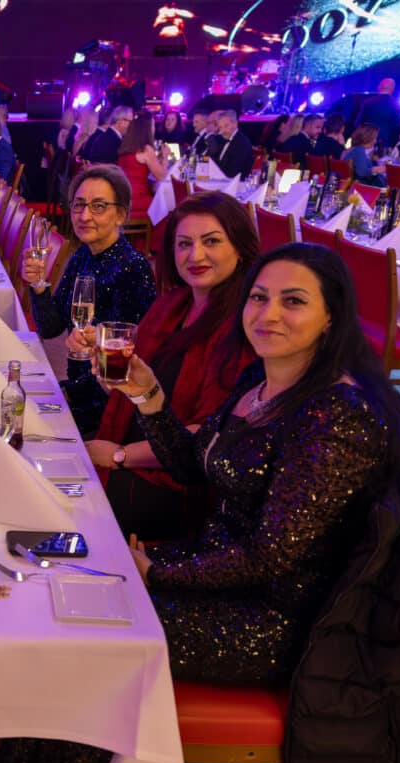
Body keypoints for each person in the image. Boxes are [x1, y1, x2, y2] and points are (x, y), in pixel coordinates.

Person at [0, 242, 400, 763]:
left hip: (269, 618)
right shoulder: (260, 382)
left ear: (332, 317)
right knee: (59, 584)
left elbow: (270, 557)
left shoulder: (337, 416)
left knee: (86, 643)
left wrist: (157, 573)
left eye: (293, 301)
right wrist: (149, 397)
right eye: (258, 297)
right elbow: (192, 467)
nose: (269, 314)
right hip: (208, 570)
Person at [80, 192, 258, 539]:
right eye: (184, 244)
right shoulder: (173, 305)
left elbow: (208, 435)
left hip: (179, 484)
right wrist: (113, 382)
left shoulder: (243, 327)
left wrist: (121, 455)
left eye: (211, 242)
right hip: (129, 445)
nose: (196, 255)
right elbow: (145, 392)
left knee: (69, 500)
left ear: (240, 248)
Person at [22, 164, 156, 435]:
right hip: (77, 389)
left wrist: (63, 396)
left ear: (121, 214)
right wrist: (38, 284)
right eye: (79, 205)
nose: (84, 216)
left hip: (105, 408)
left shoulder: (133, 269)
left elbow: (123, 366)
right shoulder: (83, 255)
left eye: (98, 207)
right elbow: (51, 327)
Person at [116, 110, 168, 220]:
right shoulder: (146, 149)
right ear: (147, 129)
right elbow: (162, 176)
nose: (154, 129)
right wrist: (165, 157)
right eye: (153, 125)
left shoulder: (126, 146)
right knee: (165, 207)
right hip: (137, 200)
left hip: (122, 197)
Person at [357, 77, 400, 149]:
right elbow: (397, 125)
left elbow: (358, 122)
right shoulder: (395, 105)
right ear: (392, 89)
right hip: (385, 143)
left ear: (379, 87)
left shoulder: (367, 102)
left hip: (365, 140)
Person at [211, 109, 254, 179]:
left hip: (236, 183)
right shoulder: (222, 140)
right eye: (220, 127)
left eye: (226, 126)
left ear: (235, 124)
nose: (222, 131)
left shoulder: (242, 143)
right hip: (221, 180)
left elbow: (232, 173)